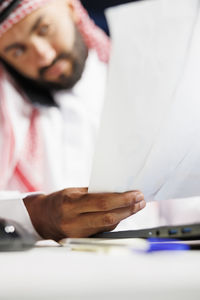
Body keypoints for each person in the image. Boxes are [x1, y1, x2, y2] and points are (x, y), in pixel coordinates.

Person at [0, 0, 146, 241]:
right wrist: (38, 214)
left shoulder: (142, 84)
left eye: (44, 29)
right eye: (17, 50)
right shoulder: (8, 106)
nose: (44, 57)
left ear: (69, 7)